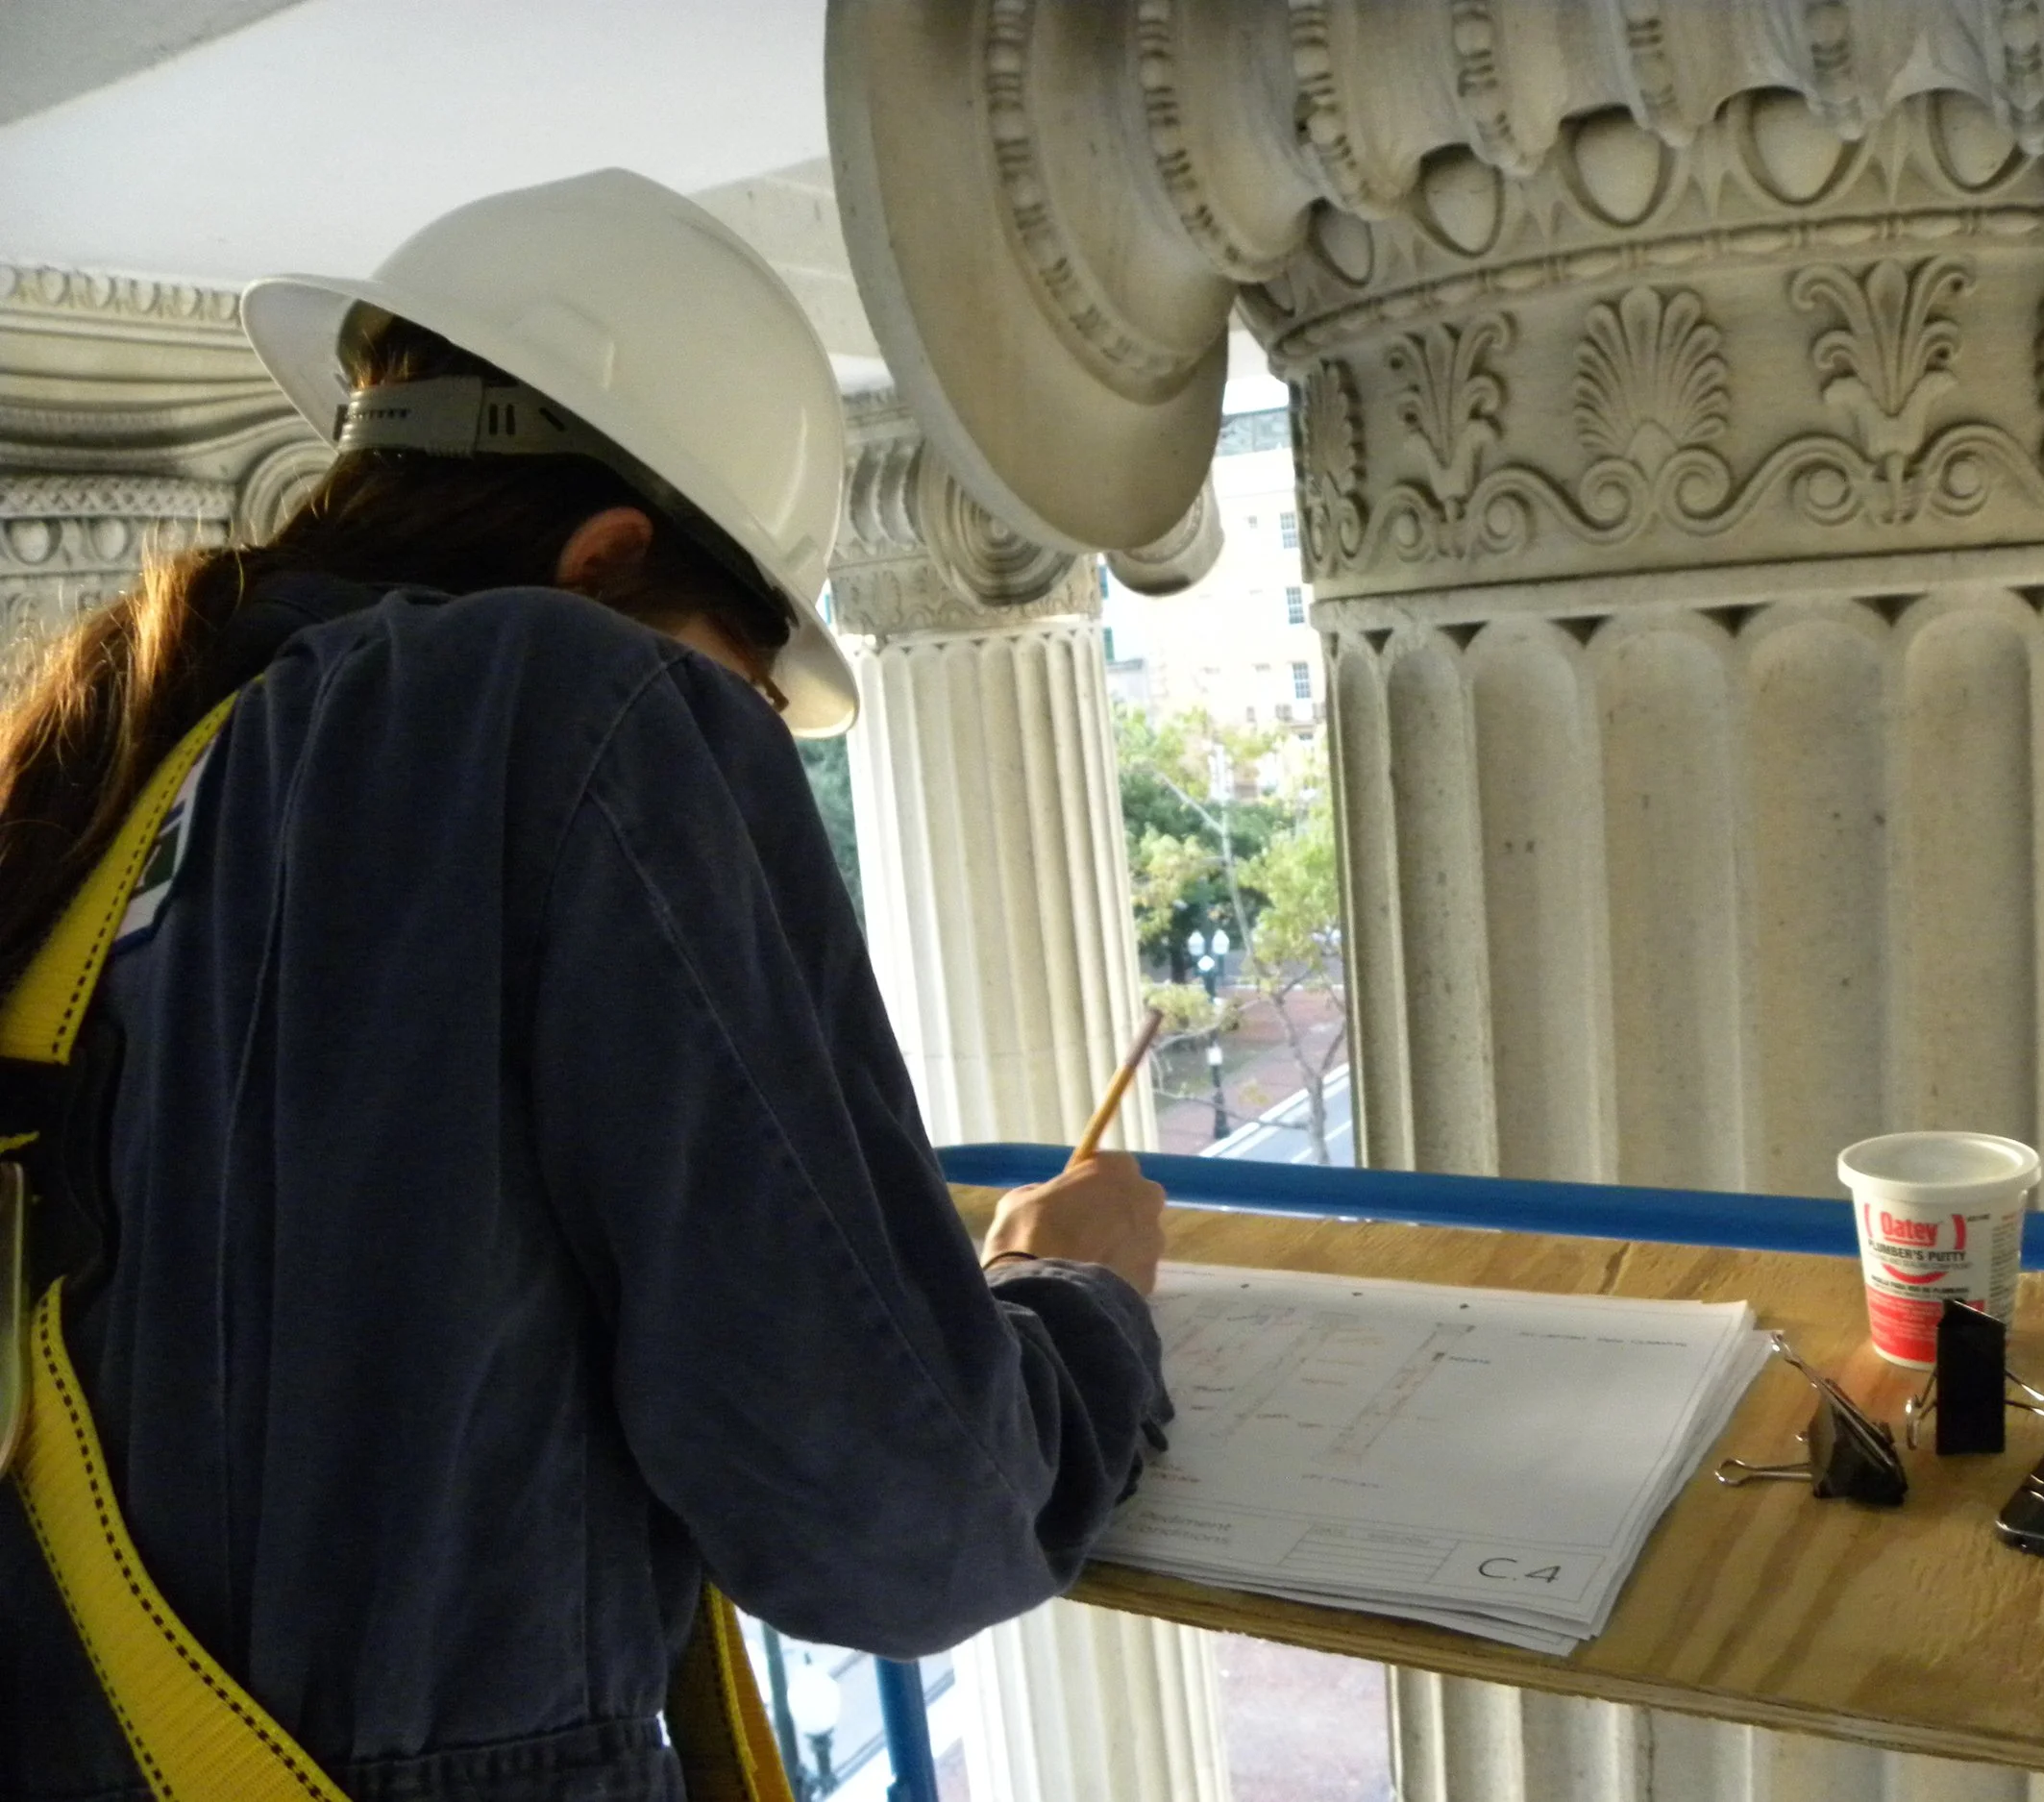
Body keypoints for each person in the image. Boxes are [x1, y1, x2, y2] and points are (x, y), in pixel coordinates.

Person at [0, 169, 1171, 1802]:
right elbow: (904, 1514)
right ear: (610, 557)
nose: (744, 745)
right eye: (753, 694)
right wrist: (1080, 1305)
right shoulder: (564, 699)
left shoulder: (108, 795)